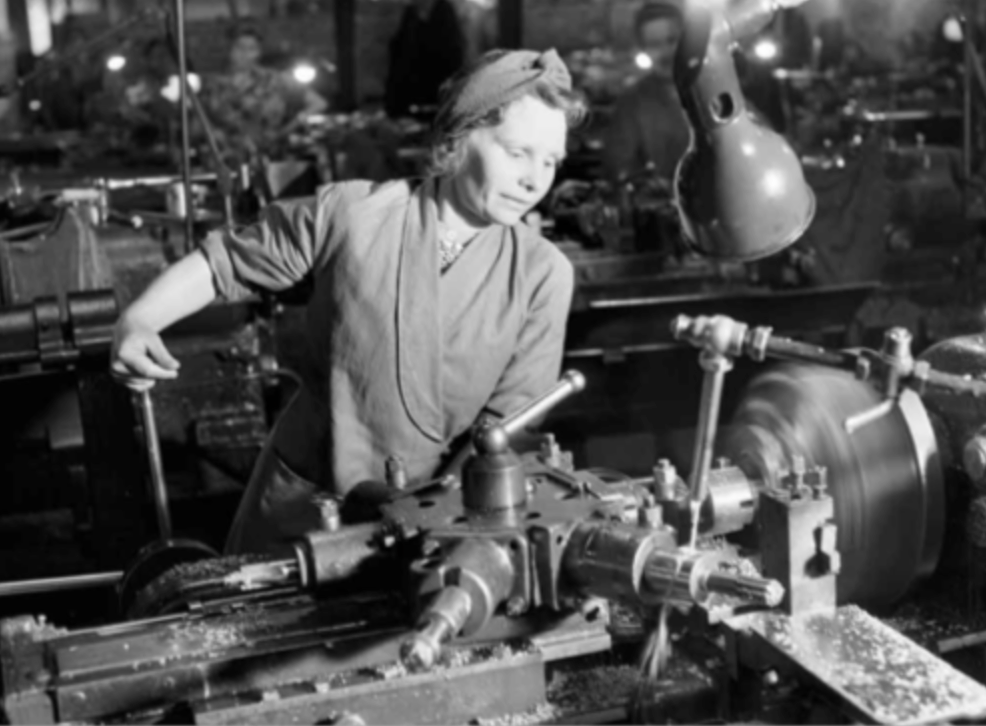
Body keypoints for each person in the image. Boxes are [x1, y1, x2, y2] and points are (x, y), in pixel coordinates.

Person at [111, 48, 586, 556]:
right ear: (460, 137)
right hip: (303, 500)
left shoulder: (543, 274)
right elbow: (224, 263)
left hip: (438, 515)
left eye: (551, 160)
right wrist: (140, 320)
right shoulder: (355, 215)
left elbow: (506, 428)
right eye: (517, 153)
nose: (536, 180)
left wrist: (442, 524)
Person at [203, 23, 327, 164]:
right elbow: (204, 124)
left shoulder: (274, 79)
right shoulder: (214, 85)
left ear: (259, 52)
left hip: (272, 158)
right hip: (229, 162)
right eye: (240, 47)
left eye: (252, 49)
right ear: (229, 48)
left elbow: (318, 103)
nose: (245, 54)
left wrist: (289, 128)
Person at [601, 1, 689, 184]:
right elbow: (619, 169)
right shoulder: (632, 103)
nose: (665, 53)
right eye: (655, 44)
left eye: (671, 40)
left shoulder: (715, 88)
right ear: (644, 49)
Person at [385, 0, 466, 118]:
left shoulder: (444, 13)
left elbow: (452, 60)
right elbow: (399, 61)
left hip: (438, 104)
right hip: (409, 106)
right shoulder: (410, 15)